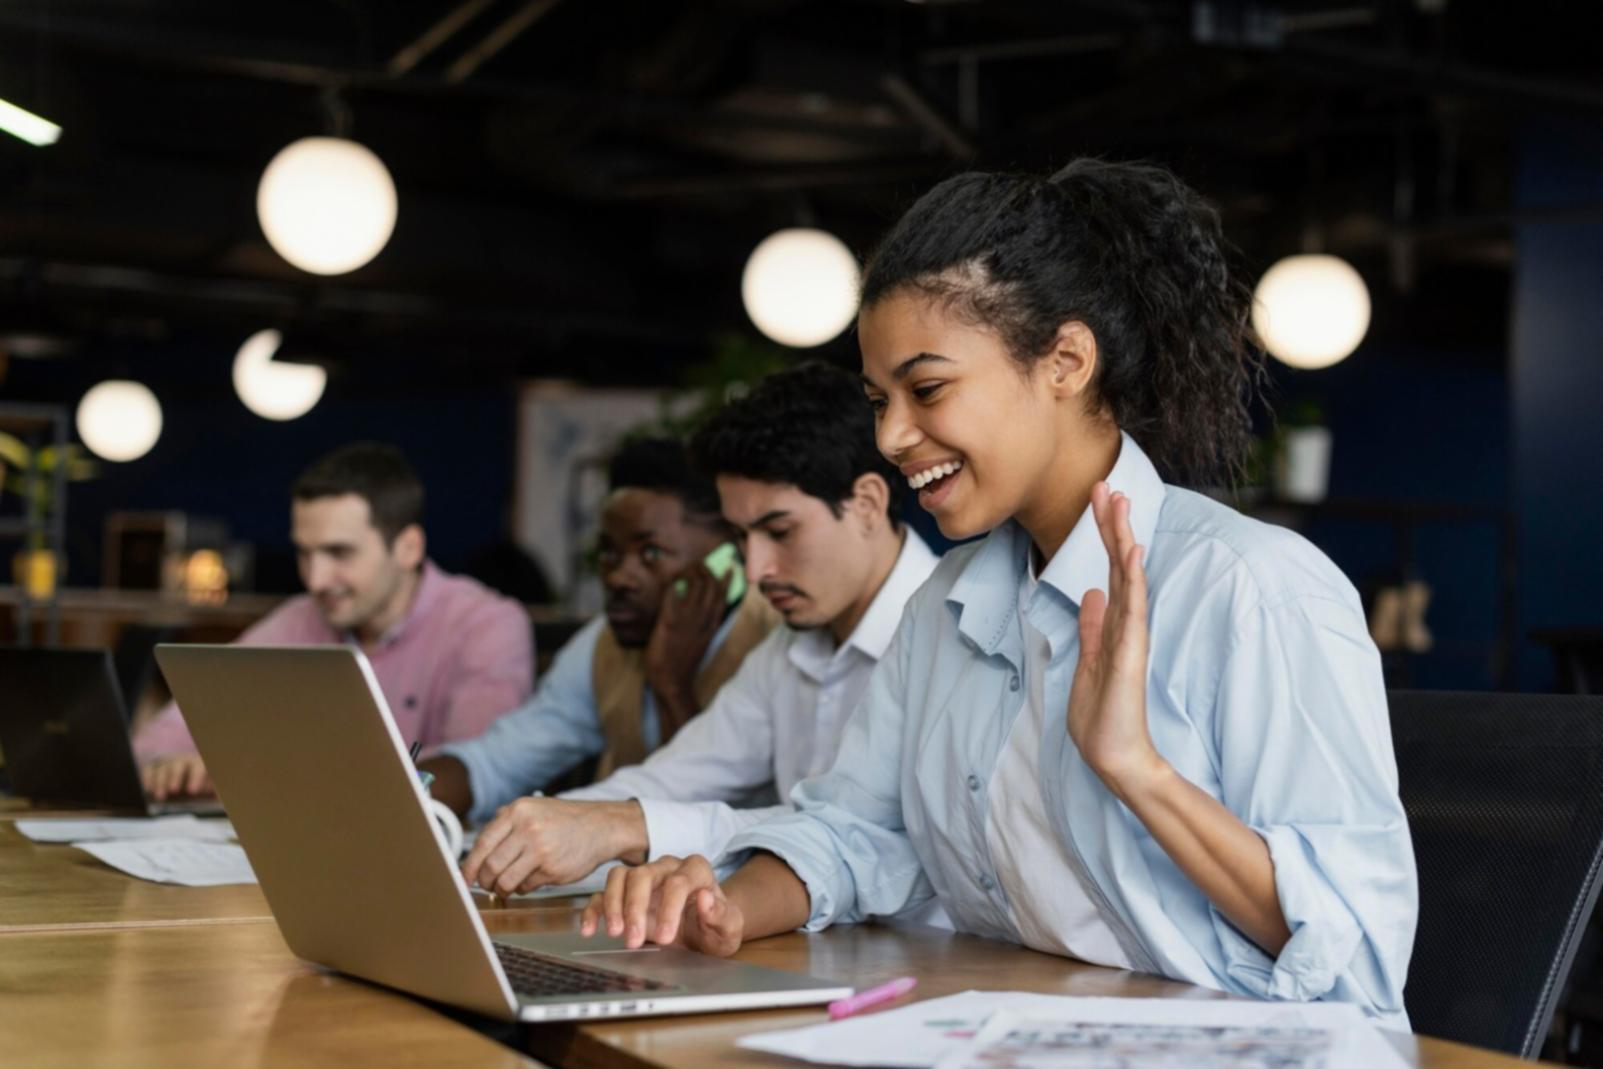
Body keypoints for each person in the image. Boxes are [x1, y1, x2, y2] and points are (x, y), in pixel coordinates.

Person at [580, 161, 1419, 1025]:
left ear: (1064, 361)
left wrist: (1136, 769)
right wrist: (725, 907)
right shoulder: (944, 606)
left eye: (927, 388)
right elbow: (856, 826)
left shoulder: (1252, 590)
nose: (892, 435)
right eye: (878, 400)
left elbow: (1353, 949)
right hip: (1027, 1029)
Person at [460, 363, 940, 896]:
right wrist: (523, 838)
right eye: (741, 537)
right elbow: (673, 781)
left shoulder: (952, 634)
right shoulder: (787, 648)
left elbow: (863, 836)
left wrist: (621, 826)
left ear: (869, 503)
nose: (756, 570)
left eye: (779, 531)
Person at [136, 442, 534, 799]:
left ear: (408, 547)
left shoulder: (487, 625)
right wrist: (170, 762)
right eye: (305, 554)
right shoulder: (298, 620)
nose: (316, 579)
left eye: (339, 553)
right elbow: (159, 739)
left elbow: (475, 771)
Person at [422, 436, 781, 825]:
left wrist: (670, 682)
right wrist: (406, 792)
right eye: (609, 554)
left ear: (727, 559)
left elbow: (700, 806)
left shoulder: (771, 634)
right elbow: (499, 760)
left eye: (651, 554)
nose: (620, 577)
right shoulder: (604, 642)